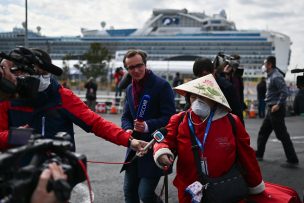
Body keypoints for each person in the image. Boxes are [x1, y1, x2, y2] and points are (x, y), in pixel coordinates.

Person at [0, 47, 147, 153]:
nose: (42, 80)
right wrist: (14, 137)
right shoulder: (7, 97)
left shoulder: (62, 96)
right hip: (16, 173)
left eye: (44, 74)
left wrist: (129, 140)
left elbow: (96, 123)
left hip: (56, 174)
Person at [153, 74, 265, 203]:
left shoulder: (231, 121)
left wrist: (255, 184)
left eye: (203, 97)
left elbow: (246, 155)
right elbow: (166, 140)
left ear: (214, 99)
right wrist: (161, 151)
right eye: (193, 96)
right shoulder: (179, 120)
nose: (197, 101)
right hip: (189, 189)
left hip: (225, 188)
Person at [121, 49, 176, 203]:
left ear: (145, 64)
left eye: (139, 65)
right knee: (129, 192)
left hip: (154, 146)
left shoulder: (162, 85)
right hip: (134, 147)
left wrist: (146, 126)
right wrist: (127, 129)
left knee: (145, 194)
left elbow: (171, 118)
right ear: (127, 69)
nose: (136, 70)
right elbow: (126, 116)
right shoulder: (129, 88)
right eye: (131, 67)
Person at [256, 56, 299, 168]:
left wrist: (278, 104)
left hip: (276, 110)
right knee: (263, 132)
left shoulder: (276, 77)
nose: (264, 65)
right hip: (271, 109)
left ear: (270, 64)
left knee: (282, 135)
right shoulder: (270, 76)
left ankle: (292, 159)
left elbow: (285, 92)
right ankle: (259, 154)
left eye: (265, 63)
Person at [192, 57, 244, 123]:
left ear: (213, 71)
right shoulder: (194, 86)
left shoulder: (226, 87)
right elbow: (188, 107)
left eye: (205, 74)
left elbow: (237, 112)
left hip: (223, 126)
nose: (203, 78)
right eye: (199, 76)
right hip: (199, 127)